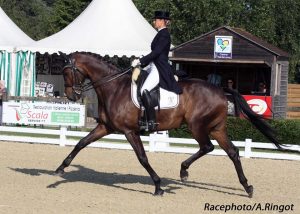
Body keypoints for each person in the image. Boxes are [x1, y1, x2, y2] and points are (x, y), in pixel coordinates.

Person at [131, 10, 182, 131]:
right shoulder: (160, 33)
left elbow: (156, 52)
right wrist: (141, 64)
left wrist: (141, 61)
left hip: (159, 68)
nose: (154, 21)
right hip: (153, 65)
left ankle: (151, 121)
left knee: (144, 90)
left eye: (156, 20)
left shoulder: (164, 34)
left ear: (162, 21)